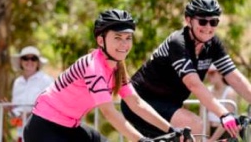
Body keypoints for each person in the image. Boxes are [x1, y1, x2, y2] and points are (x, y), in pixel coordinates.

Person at [23, 9, 179, 142]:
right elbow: (109, 113)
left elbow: (136, 103)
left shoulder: (117, 67)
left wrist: (171, 130)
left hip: (69, 127)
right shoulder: (93, 67)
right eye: (117, 38)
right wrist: (140, 139)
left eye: (128, 38)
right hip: (44, 128)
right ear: (100, 40)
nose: (124, 45)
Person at [121, 0, 251, 140]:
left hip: (168, 104)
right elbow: (193, 84)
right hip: (140, 102)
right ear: (188, 20)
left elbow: (234, 77)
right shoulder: (178, 42)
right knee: (193, 124)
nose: (208, 27)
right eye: (202, 21)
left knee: (187, 133)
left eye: (213, 22)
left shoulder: (213, 44)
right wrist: (224, 114)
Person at [3, 46, 54, 142]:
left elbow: (52, 105)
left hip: (41, 132)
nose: (29, 61)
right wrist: (10, 110)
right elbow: (16, 112)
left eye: (33, 58)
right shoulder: (18, 82)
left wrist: (30, 114)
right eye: (25, 58)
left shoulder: (46, 80)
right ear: (21, 62)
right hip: (21, 132)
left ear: (38, 63)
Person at [203, 65, 237, 142]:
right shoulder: (206, 91)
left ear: (221, 73)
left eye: (212, 73)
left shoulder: (230, 92)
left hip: (226, 132)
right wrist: (205, 137)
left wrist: (212, 140)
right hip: (209, 132)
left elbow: (228, 120)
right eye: (207, 73)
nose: (209, 76)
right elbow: (204, 117)